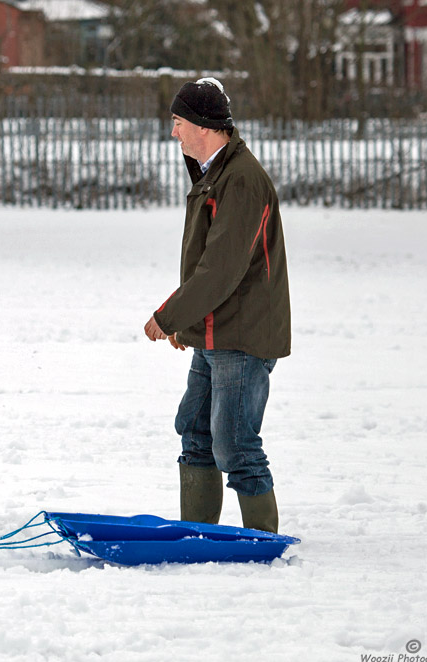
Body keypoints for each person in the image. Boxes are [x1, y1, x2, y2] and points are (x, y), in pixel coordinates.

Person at [143, 77, 291, 533]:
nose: (174, 133)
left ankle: (261, 540)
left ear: (203, 125)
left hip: (242, 336)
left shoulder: (241, 179)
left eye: (178, 122)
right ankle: (200, 533)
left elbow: (222, 271)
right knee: (195, 431)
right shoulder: (216, 173)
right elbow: (210, 265)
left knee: (235, 444)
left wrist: (167, 318)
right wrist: (187, 328)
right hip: (216, 331)